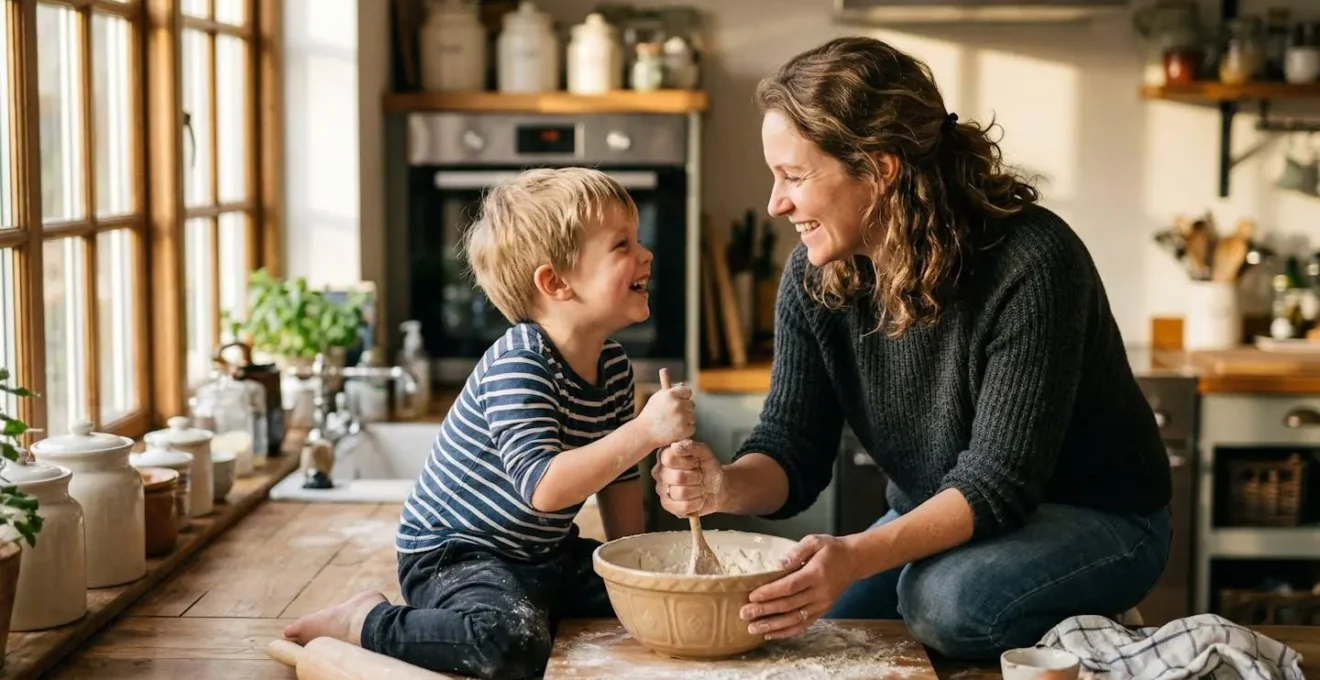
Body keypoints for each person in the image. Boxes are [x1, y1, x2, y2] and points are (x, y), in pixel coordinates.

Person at [652, 36, 1173, 660]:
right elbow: (793, 453)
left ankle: (1081, 624)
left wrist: (855, 554)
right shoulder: (814, 277)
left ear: (879, 168)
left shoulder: (1034, 260)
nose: (775, 203)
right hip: (948, 520)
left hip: (1105, 519)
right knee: (805, 624)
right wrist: (723, 486)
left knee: (944, 605)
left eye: (793, 176)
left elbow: (995, 484)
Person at [283, 167, 696, 680]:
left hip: (539, 553)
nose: (646, 253)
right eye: (621, 245)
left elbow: (617, 481)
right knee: (512, 644)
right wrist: (644, 433)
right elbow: (543, 488)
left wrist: (636, 569)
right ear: (555, 282)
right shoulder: (519, 362)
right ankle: (366, 620)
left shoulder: (613, 366)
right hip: (455, 553)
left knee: (661, 594)